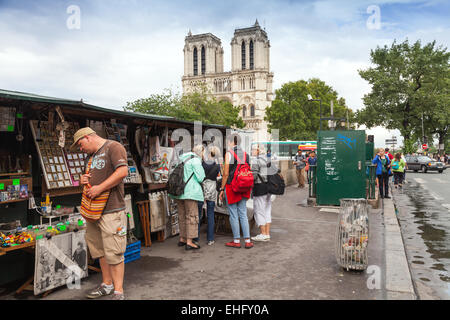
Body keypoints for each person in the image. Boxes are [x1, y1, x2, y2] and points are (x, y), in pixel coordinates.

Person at [73, 127, 129, 300]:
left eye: (80, 145)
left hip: (112, 210)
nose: (80, 149)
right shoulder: (90, 157)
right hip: (93, 212)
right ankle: (107, 285)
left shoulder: (114, 147)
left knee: (115, 251)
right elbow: (89, 179)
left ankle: (118, 292)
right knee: (100, 251)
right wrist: (83, 180)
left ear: (88, 137)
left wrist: (100, 188)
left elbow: (122, 172)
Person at [219, 134, 254, 249]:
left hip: (231, 187)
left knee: (233, 214)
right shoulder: (246, 155)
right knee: (243, 214)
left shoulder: (228, 154)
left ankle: (236, 240)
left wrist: (222, 189)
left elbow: (225, 174)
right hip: (244, 187)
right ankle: (248, 240)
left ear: (230, 142)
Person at [170, 145, 205, 251]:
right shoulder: (196, 161)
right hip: (190, 192)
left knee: (182, 215)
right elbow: (201, 177)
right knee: (192, 216)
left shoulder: (182, 158)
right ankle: (189, 242)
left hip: (178, 192)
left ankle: (182, 238)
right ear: (201, 152)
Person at [197, 145, 221, 246]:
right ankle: (210, 239)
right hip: (212, 189)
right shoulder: (217, 165)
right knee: (210, 214)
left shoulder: (203, 164)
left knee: (198, 213)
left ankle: (195, 237)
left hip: (201, 189)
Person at [250, 144, 272, 242]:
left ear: (258, 151)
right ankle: (267, 233)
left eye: (253, 150)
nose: (252, 151)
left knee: (259, 210)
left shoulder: (256, 160)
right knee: (267, 210)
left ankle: (263, 234)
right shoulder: (268, 159)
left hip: (259, 187)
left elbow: (253, 176)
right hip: (269, 187)